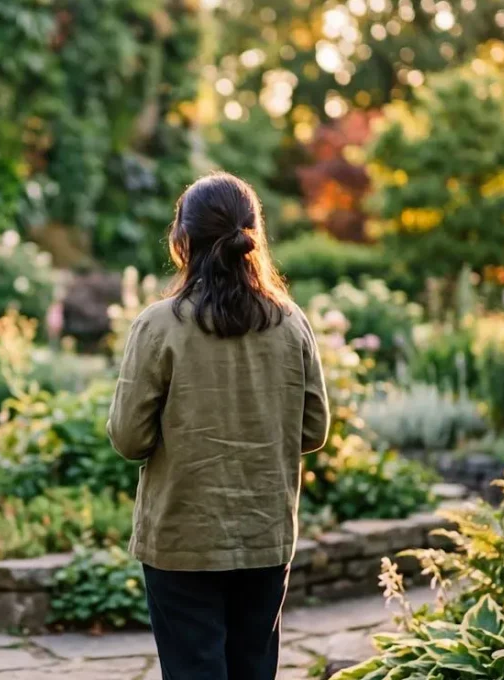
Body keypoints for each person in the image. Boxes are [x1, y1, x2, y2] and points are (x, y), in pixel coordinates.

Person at [107, 172, 330, 680]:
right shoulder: (290, 322)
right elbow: (314, 430)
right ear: (253, 237)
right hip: (265, 533)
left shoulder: (159, 325)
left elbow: (129, 438)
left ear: (182, 241)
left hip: (182, 537)